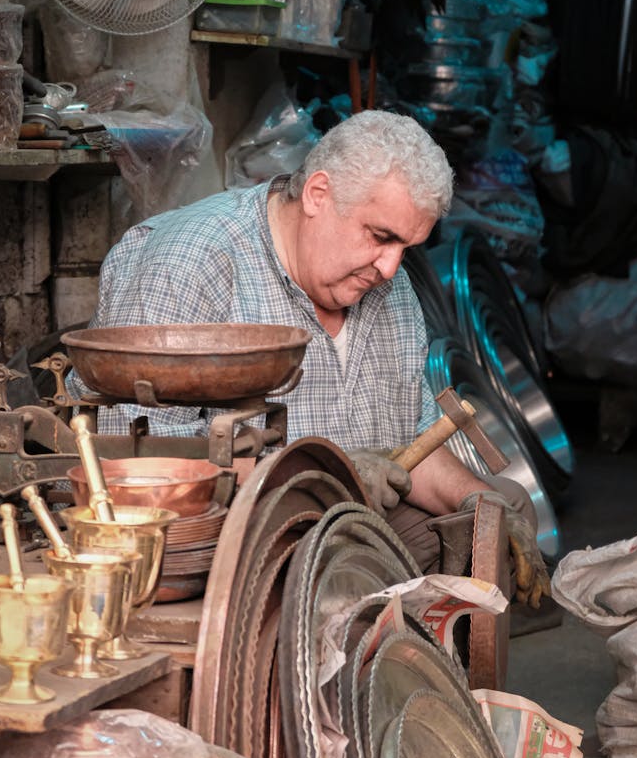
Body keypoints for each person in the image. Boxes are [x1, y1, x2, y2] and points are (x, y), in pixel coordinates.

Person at [68, 110, 549, 607]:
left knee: (497, 521)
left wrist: (480, 502)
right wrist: (320, 474)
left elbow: (412, 448)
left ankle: (414, 673)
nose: (390, 267)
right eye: (381, 236)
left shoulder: (390, 288)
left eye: (406, 246)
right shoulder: (192, 262)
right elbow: (139, 464)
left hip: (349, 535)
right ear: (319, 195)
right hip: (230, 537)